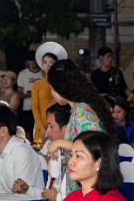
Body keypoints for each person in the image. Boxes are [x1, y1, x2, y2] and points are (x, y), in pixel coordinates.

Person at [45, 58, 116, 193]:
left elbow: (95, 148)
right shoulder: (77, 110)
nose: (51, 92)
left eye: (51, 88)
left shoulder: (83, 111)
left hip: (90, 187)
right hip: (80, 186)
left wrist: (61, 143)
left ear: (60, 87)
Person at [13, 103, 71, 201]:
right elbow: (47, 194)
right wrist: (27, 190)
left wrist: (55, 197)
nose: (47, 131)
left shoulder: (74, 158)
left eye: (51, 126)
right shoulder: (56, 152)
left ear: (65, 129)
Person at [32, 42, 67, 140]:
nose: (48, 65)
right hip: (41, 126)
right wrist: (42, 128)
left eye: (51, 62)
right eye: (45, 62)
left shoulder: (61, 83)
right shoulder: (37, 84)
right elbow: (35, 108)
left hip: (58, 126)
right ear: (42, 64)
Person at [16, 50, 44, 136]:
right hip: (28, 107)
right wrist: (34, 93)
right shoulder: (23, 74)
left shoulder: (43, 73)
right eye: (30, 62)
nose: (32, 64)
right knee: (27, 130)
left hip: (42, 107)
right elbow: (20, 93)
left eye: (34, 62)